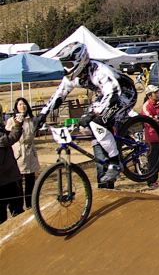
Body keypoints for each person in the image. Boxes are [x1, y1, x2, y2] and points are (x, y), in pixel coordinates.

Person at [34, 41, 137, 183]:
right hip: (104, 95)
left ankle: (115, 162)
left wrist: (94, 114)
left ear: (80, 61)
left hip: (123, 94)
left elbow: (112, 94)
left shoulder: (99, 71)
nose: (66, 69)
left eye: (69, 64)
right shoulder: (72, 76)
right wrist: (42, 114)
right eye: (64, 65)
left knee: (98, 122)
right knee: (84, 122)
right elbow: (59, 94)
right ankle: (115, 141)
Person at [5, 98, 40, 209]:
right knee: (18, 182)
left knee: (30, 180)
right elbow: (9, 136)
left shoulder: (32, 119)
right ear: (16, 107)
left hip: (30, 151)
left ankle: (30, 205)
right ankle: (19, 207)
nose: (22, 106)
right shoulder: (11, 120)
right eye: (20, 104)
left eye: (24, 104)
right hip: (18, 151)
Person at [1, 111, 25, 224]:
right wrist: (18, 125)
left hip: (8, 175)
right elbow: (9, 139)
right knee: (3, 215)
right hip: (4, 178)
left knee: (17, 208)